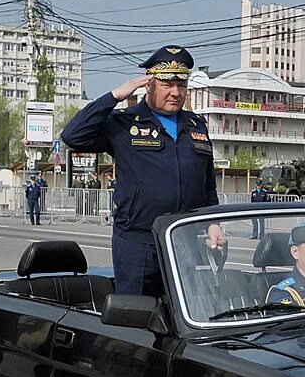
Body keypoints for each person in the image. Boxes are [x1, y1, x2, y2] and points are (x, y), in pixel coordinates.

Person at [60, 45, 221, 297]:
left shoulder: (195, 125)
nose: (176, 93)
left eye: (181, 85)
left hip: (184, 240)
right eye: (167, 85)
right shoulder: (124, 123)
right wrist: (114, 96)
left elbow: (207, 183)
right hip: (138, 242)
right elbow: (73, 135)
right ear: (149, 85)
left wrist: (213, 222)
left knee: (183, 318)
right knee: (135, 316)